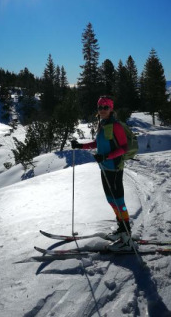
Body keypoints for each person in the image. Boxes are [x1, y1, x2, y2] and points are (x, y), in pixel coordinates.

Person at [71, 96, 134, 250]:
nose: (102, 110)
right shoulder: (102, 124)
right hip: (104, 168)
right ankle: (121, 228)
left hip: (114, 168)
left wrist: (106, 156)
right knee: (111, 199)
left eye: (106, 107)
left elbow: (124, 148)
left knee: (119, 201)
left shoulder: (116, 125)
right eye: (100, 107)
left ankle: (127, 236)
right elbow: (97, 143)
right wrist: (80, 146)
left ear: (111, 109)